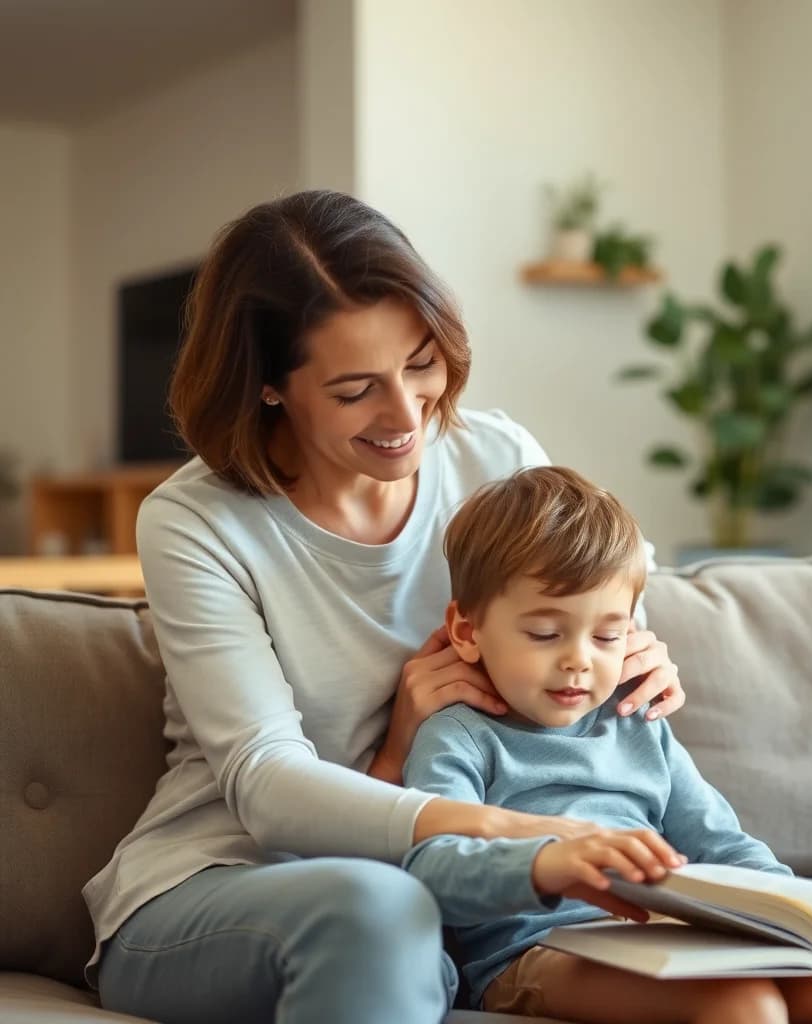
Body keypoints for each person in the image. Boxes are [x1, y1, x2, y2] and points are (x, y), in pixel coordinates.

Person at [83, 190, 686, 1024]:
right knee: (382, 913)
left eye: (422, 363)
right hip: (224, 881)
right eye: (355, 388)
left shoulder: (495, 456)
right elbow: (265, 784)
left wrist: (640, 651)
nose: (408, 415)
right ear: (268, 387)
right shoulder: (197, 521)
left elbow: (592, 606)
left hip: (435, 889)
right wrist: (516, 832)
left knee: (410, 921)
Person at [402, 466, 812, 1024]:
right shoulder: (458, 736)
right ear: (467, 632)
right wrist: (547, 863)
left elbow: (723, 843)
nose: (580, 658)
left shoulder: (636, 722)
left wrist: (805, 913)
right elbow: (434, 869)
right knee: (740, 1002)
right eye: (545, 633)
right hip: (533, 954)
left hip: (664, 942)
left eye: (607, 636)